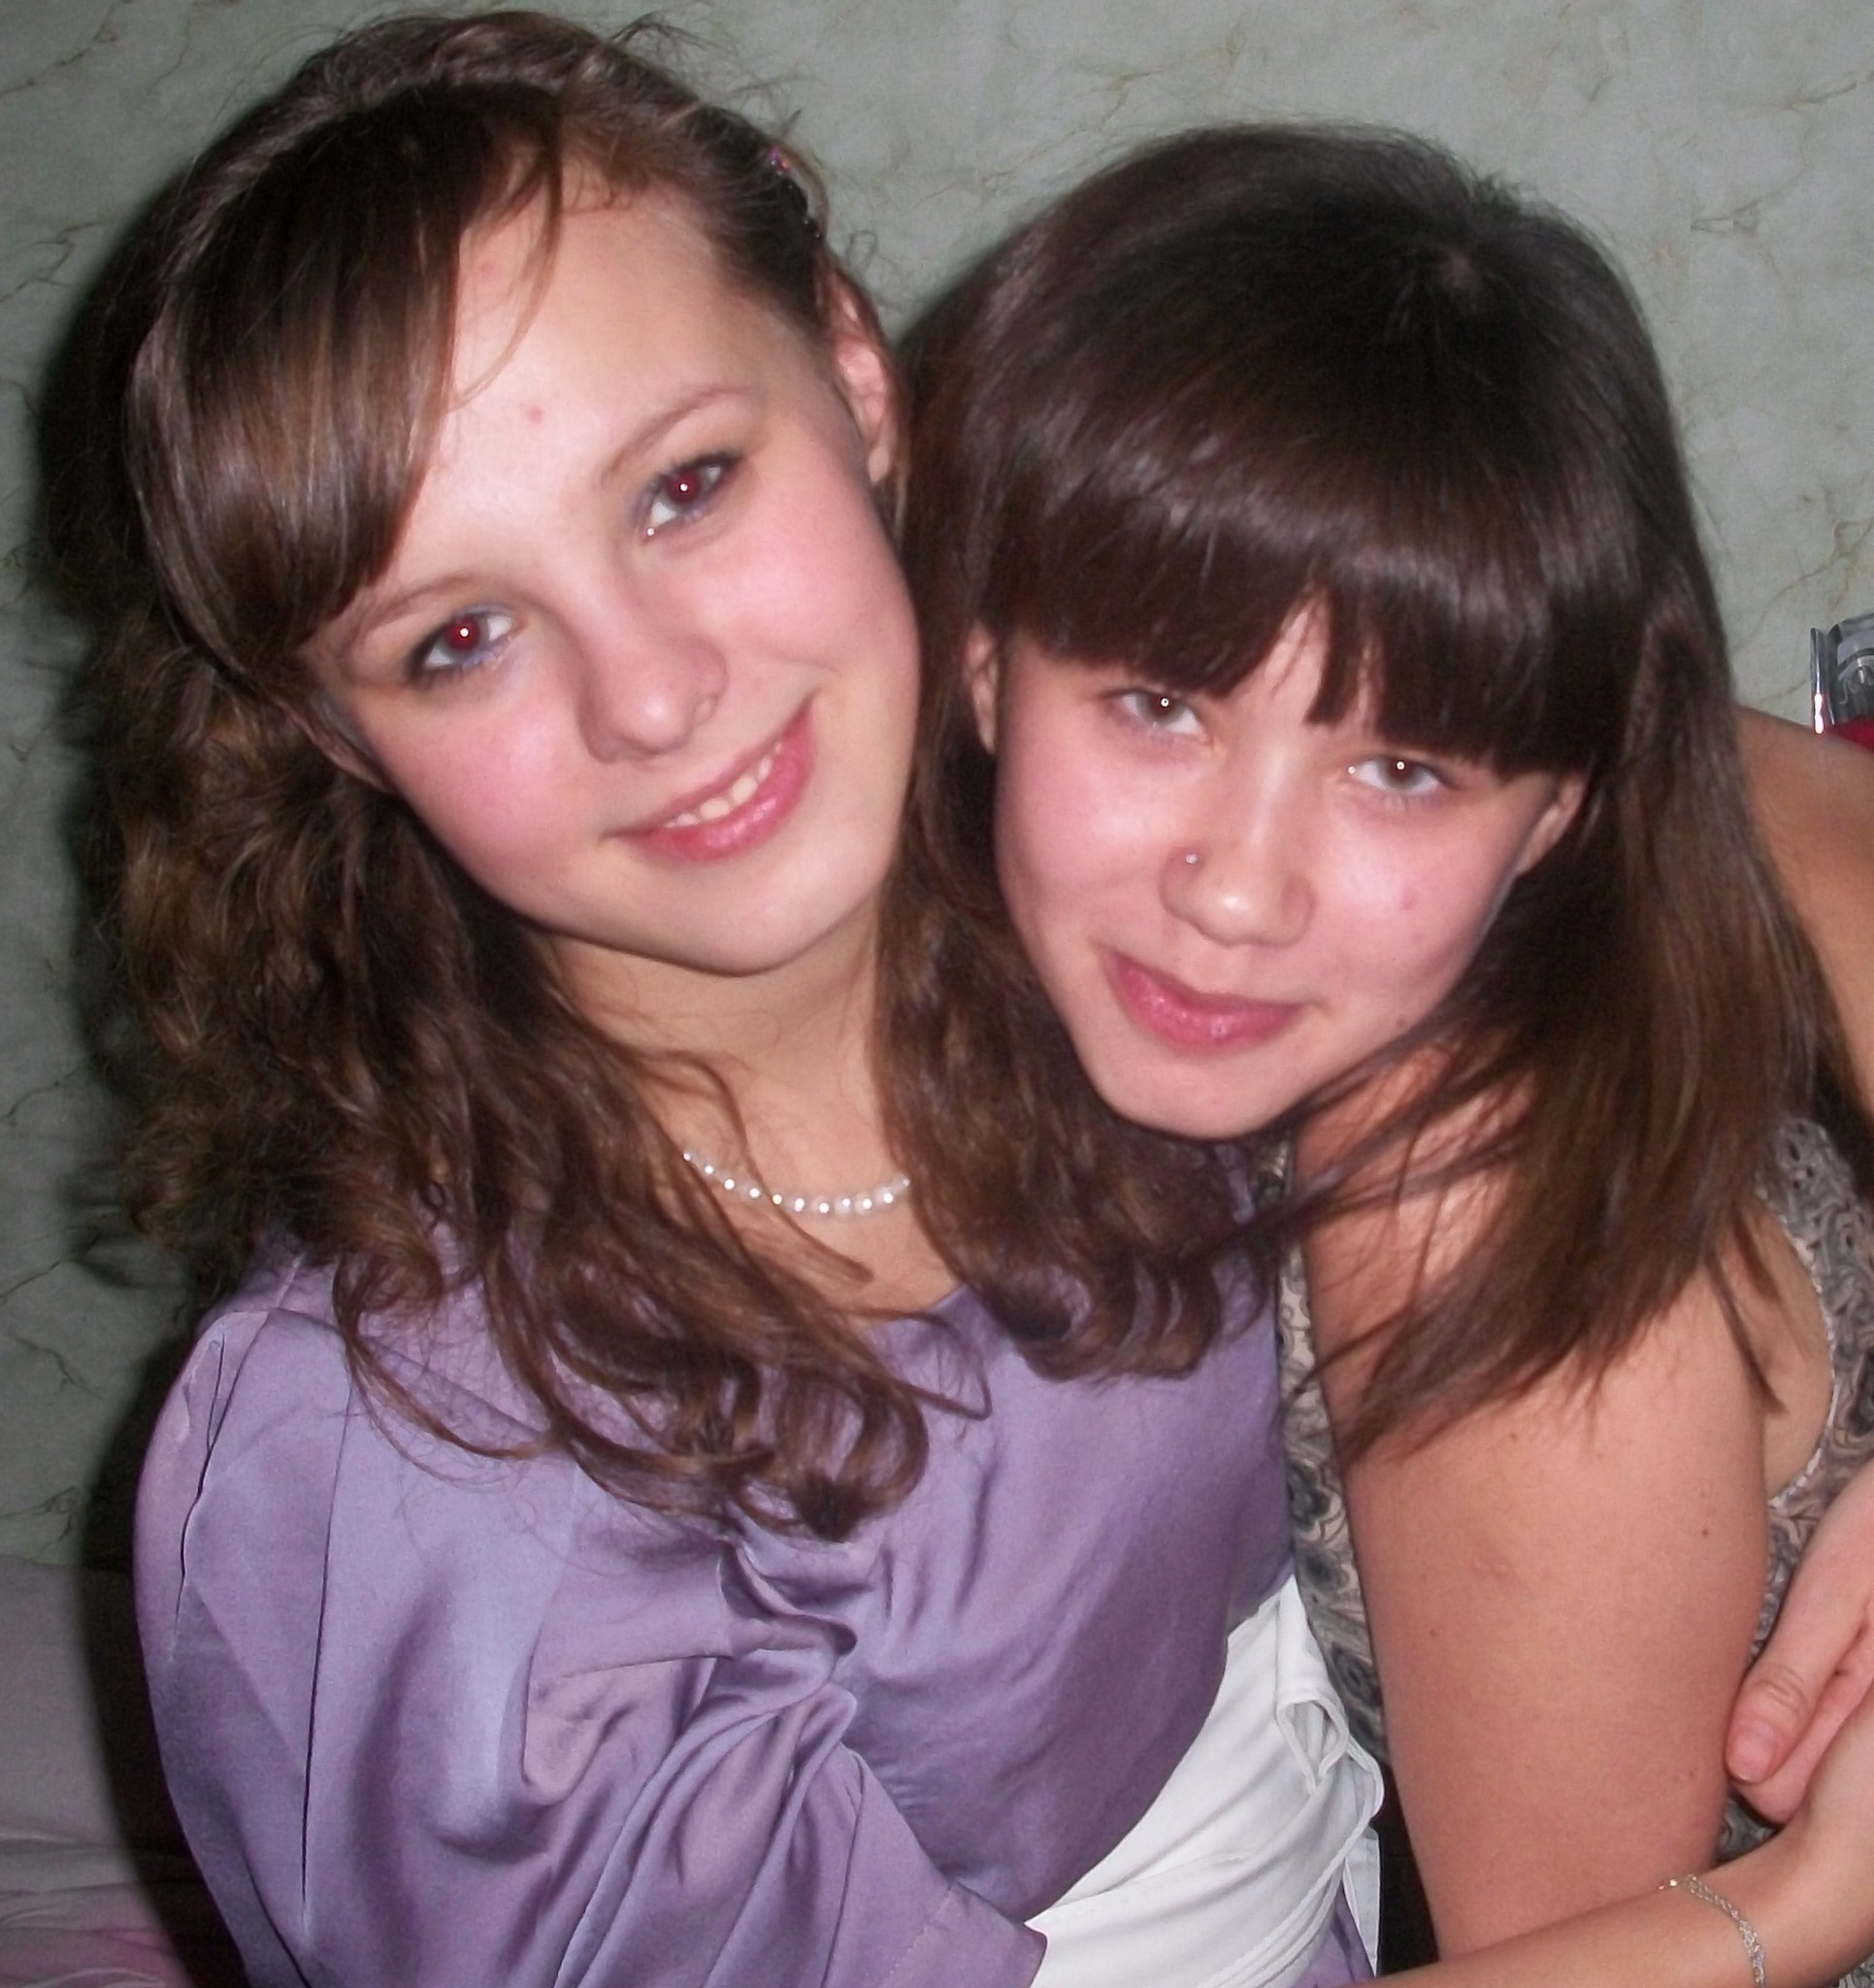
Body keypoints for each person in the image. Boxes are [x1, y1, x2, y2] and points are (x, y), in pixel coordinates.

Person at [100, 16, 1874, 1986]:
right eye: (459, 637)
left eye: (685, 486)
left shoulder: (1074, 883)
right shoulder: (433, 1480)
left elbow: (1708, 780)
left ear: (854, 376)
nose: (656, 697)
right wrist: (1792, 1907)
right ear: (332, 730)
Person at [901, 121, 1874, 1982]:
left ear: (1557, 807)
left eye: (1402, 769)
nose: (1239, 889)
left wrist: (1812, 1898)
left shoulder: (1462, 1185)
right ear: (982, 663)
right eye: (1160, 703)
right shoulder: (1631, 844)